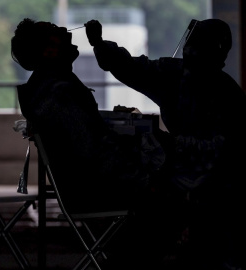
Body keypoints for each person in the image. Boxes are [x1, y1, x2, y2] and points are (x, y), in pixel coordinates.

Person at [85, 18, 246, 269]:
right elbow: (131, 67)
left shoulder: (181, 78)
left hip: (223, 185)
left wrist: (100, 45)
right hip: (218, 183)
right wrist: (100, 45)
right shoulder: (200, 82)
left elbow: (230, 151)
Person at [10, 18, 164, 215]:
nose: (65, 30)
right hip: (98, 192)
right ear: (48, 50)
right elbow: (95, 151)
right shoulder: (59, 93)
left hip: (88, 188)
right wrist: (145, 181)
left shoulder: (48, 88)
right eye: (56, 30)